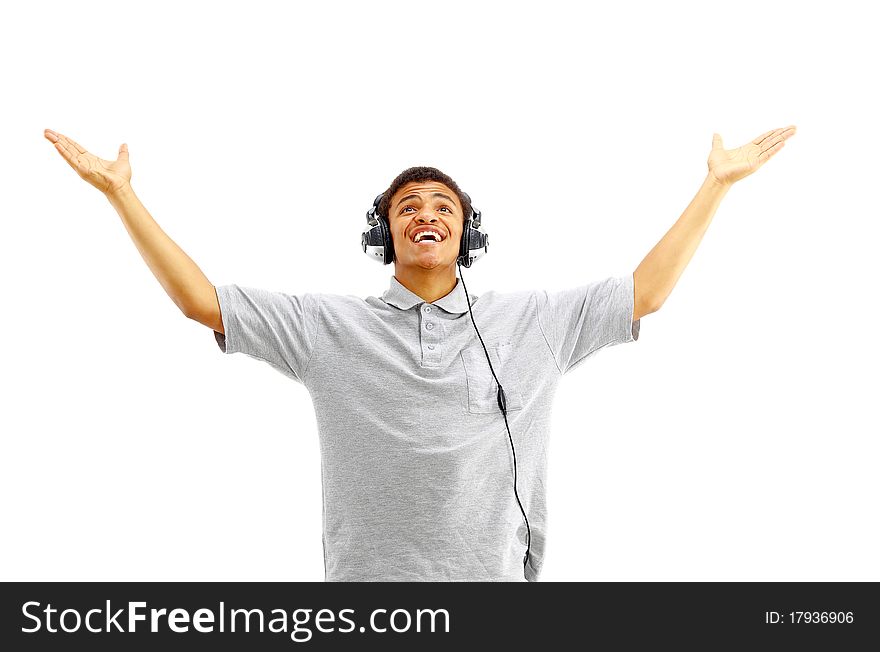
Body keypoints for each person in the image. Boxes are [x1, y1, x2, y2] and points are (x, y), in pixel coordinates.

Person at [43, 125, 797, 581]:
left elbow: (645, 293)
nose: (426, 215)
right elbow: (200, 301)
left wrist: (715, 185)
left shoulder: (533, 320)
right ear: (387, 236)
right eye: (409, 208)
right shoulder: (326, 328)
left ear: (466, 233)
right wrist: (121, 194)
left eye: (444, 207)